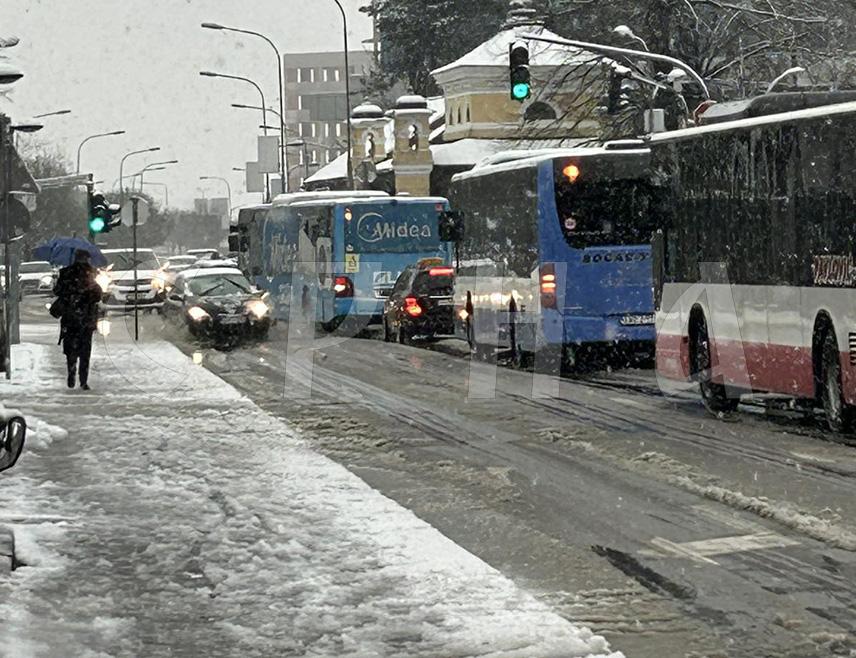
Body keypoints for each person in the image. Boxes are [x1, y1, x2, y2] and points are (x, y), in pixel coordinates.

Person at [53, 249, 101, 390]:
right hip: (86, 317)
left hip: (70, 316)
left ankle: (71, 370)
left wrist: (69, 293)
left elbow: (57, 291)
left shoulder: (65, 273)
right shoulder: (91, 273)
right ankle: (83, 380)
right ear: (87, 258)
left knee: (70, 348)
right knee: (85, 350)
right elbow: (97, 295)